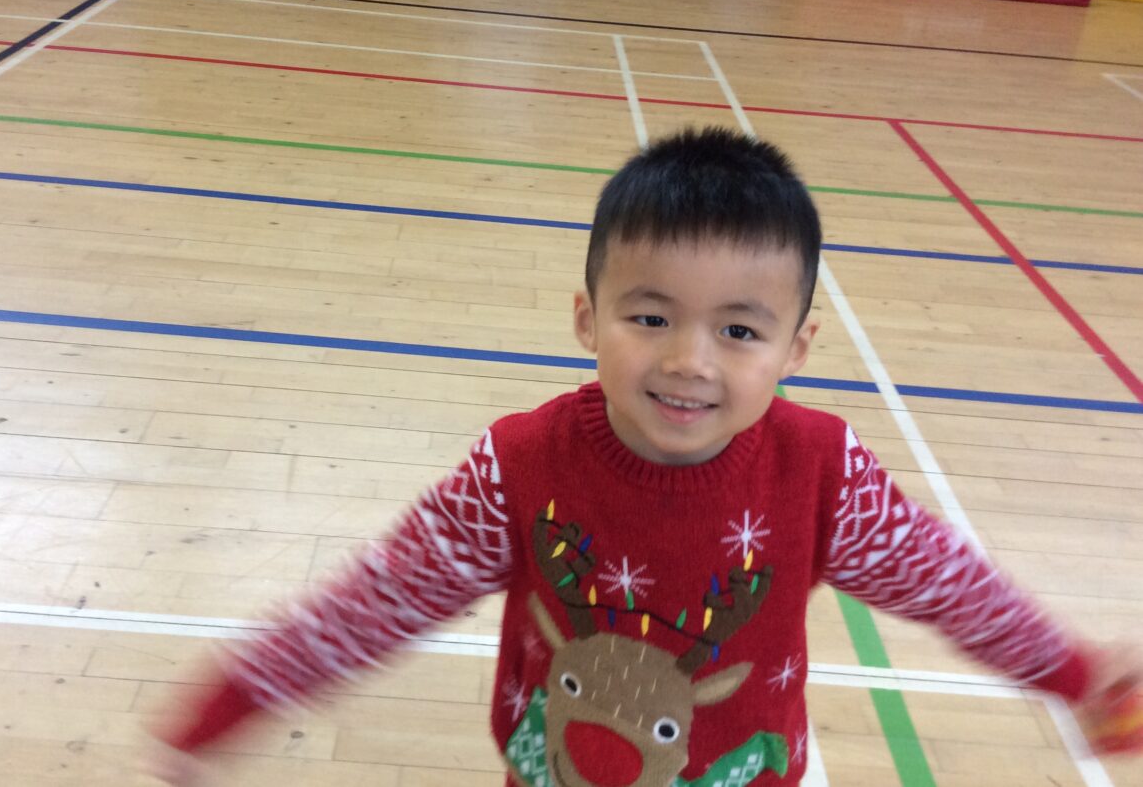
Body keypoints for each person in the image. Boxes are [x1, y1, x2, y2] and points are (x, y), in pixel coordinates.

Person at [149, 127, 1141, 786]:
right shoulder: (516, 465)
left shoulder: (823, 470)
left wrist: (1074, 671)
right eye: (651, 315)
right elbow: (380, 599)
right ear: (588, 317)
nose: (689, 361)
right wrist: (235, 698)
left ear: (796, 348)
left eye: (740, 330)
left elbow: (951, 585)